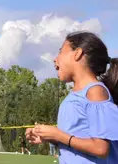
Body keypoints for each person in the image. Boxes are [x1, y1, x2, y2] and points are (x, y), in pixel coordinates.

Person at [26, 32, 118, 162]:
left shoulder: (95, 92)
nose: (55, 59)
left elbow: (101, 149)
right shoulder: (75, 95)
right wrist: (49, 137)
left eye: (61, 51)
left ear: (77, 53)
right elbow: (78, 141)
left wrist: (59, 135)